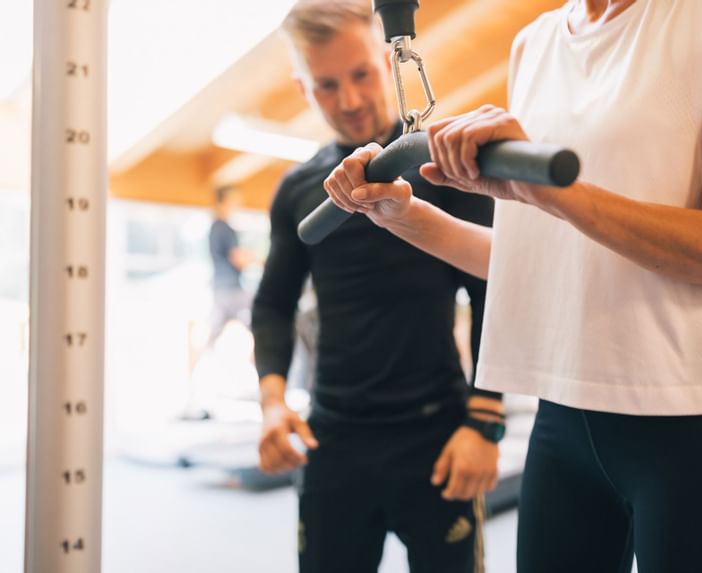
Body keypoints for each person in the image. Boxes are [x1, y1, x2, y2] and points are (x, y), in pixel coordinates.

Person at [323, 1, 702, 572]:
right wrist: (402, 215)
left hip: (695, 423)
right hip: (564, 417)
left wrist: (552, 192)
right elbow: (541, 262)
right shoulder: (534, 43)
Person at [250, 2, 504, 572]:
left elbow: (492, 290)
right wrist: (272, 403)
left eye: (362, 74)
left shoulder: (442, 168)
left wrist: (485, 420)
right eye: (326, 85)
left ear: (387, 59)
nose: (349, 100)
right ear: (302, 87)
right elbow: (272, 303)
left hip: (436, 436)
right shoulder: (297, 189)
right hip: (333, 440)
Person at [208, 185, 255, 346]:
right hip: (230, 289)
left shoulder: (216, 227)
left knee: (213, 333)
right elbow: (237, 258)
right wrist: (255, 260)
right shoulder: (224, 228)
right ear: (225, 200)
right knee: (261, 316)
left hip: (221, 287)